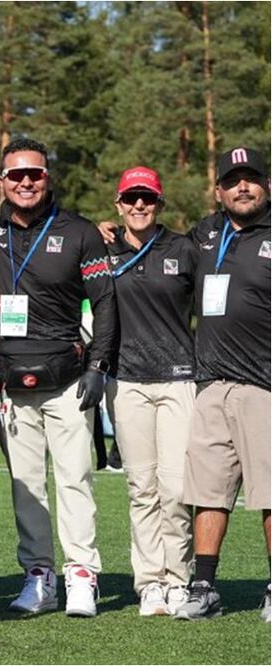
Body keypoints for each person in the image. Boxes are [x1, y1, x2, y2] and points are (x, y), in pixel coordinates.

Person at [0, 137, 117, 618]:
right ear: (2, 181)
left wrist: (99, 366)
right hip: (11, 379)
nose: (25, 182)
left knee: (75, 479)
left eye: (34, 173)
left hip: (68, 377)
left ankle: (82, 574)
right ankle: (39, 576)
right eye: (15, 175)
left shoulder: (80, 231)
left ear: (47, 177)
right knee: (26, 484)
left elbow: (105, 304)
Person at [173, 147, 270, 622]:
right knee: (208, 491)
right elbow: (166, 254)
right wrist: (112, 236)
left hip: (265, 387)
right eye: (233, 181)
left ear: (265, 186)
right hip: (211, 384)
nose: (243, 187)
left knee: (271, 494)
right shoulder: (206, 233)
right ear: (219, 191)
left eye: (251, 178)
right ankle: (205, 585)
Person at [101, 167, 197, 617]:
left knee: (176, 488)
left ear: (160, 204)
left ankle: (180, 579)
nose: (139, 206)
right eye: (131, 198)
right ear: (118, 204)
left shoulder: (185, 247)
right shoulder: (103, 248)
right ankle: (150, 583)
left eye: (148, 198)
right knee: (142, 488)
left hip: (179, 377)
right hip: (127, 381)